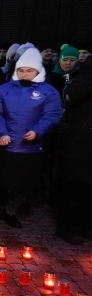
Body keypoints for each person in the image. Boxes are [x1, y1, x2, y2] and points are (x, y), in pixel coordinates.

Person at [0, 48, 62, 228]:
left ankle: (15, 211)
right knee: (1, 179)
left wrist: (38, 131)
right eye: (21, 70)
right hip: (5, 144)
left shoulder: (48, 91)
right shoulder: (4, 89)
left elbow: (52, 114)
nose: (24, 74)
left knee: (23, 182)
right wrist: (1, 132)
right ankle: (0, 208)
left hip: (30, 147)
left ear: (38, 70)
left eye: (29, 70)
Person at [56, 55, 92, 244]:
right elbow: (71, 95)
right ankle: (69, 227)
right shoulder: (84, 80)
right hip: (82, 140)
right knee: (76, 185)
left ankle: (86, 226)